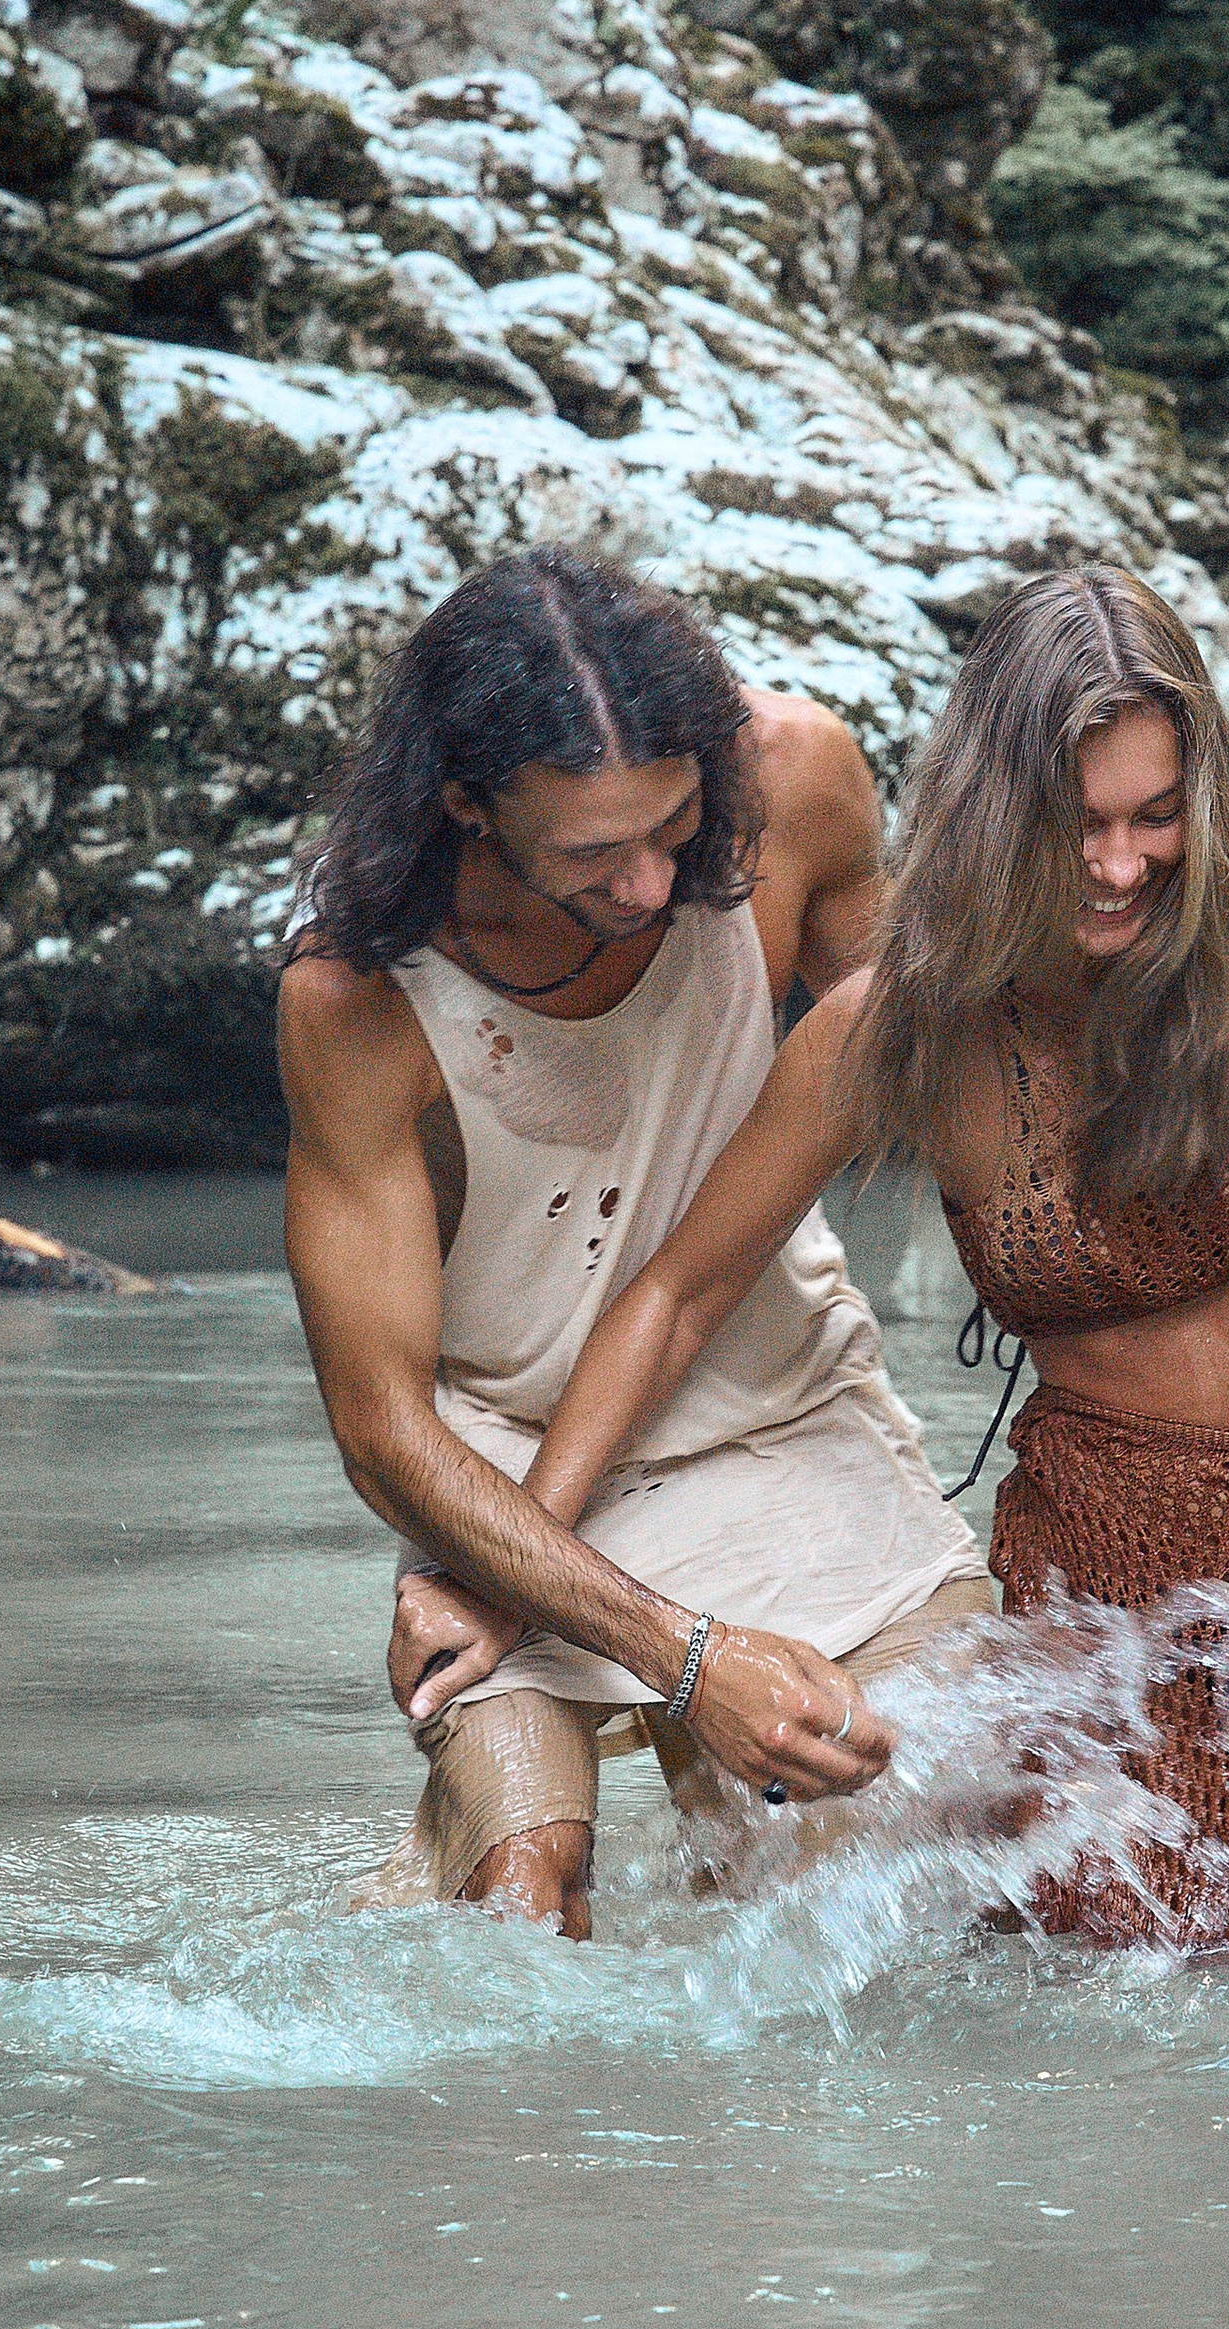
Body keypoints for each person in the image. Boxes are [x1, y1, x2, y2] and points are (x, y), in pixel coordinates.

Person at [401, 564, 1229, 1953]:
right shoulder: (903, 1030)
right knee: (1063, 1998)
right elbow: (676, 1296)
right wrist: (513, 1575)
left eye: (1157, 817)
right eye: (1079, 826)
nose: (1121, 866)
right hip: (1110, 1595)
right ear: (999, 816)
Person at [276, 544, 994, 1942]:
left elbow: (965, 1106)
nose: (656, 887)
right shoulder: (355, 998)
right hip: (503, 1464)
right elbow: (379, 1428)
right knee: (523, 1922)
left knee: (890, 1879)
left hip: (777, 1407)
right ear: (466, 805)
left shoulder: (795, 780)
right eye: (593, 856)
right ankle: (461, 1836)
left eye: (676, 828)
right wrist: (685, 1659)